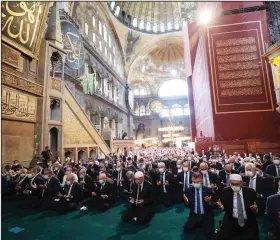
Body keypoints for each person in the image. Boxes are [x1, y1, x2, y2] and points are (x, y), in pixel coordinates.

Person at [217, 174, 259, 240]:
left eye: (236, 184)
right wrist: (221, 207)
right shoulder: (226, 191)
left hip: (247, 220)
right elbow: (224, 206)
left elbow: (256, 207)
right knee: (222, 236)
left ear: (241, 183)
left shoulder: (250, 192)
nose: (234, 186)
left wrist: (255, 209)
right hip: (231, 219)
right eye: (232, 184)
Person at [183, 173, 216, 239]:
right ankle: (199, 222)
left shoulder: (208, 190)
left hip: (206, 214)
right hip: (194, 214)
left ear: (202, 181)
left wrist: (209, 202)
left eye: (197, 182)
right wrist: (186, 202)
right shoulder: (188, 191)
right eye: (194, 182)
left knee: (209, 233)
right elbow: (189, 206)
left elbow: (215, 205)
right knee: (186, 229)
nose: (195, 183)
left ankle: (202, 223)